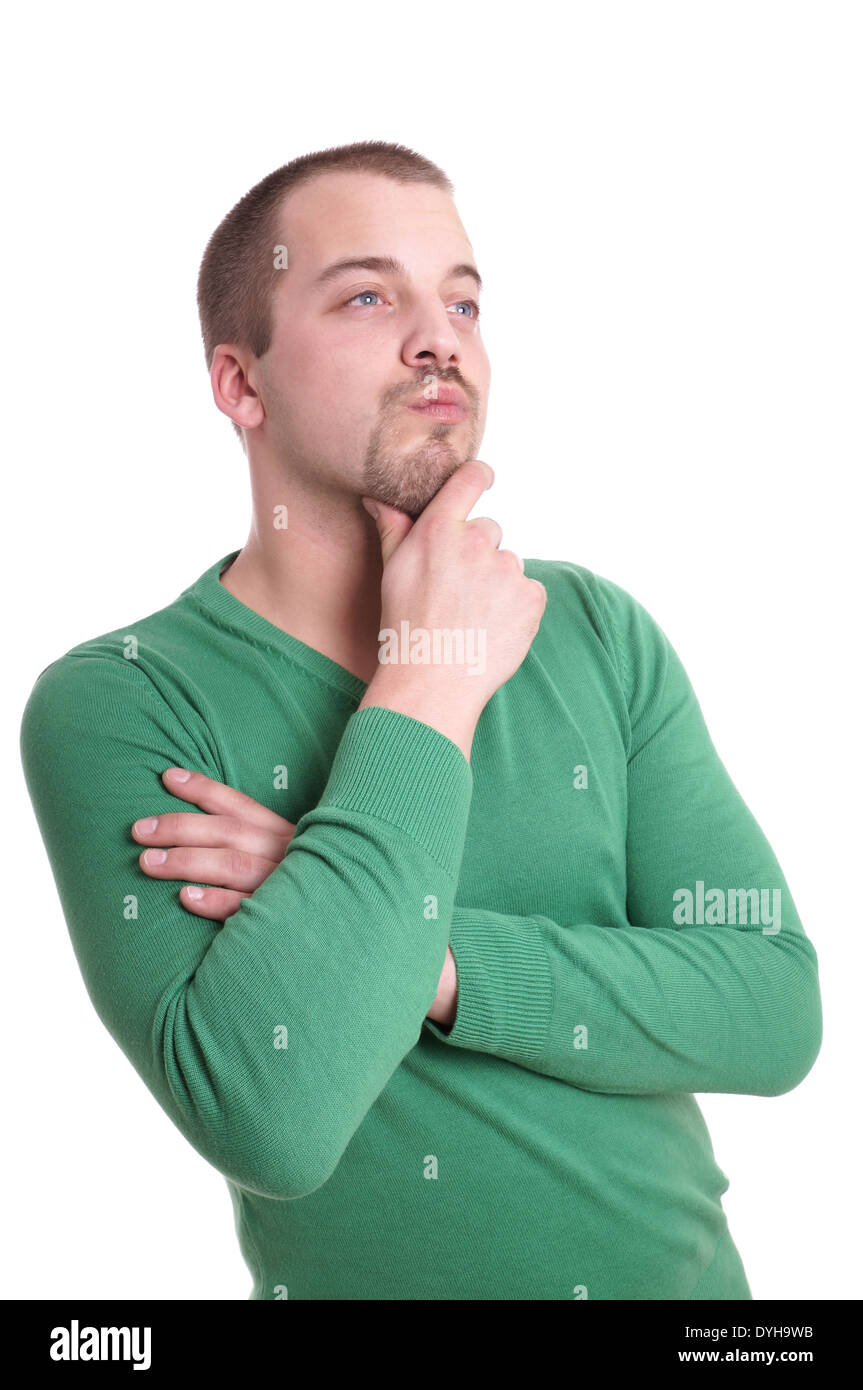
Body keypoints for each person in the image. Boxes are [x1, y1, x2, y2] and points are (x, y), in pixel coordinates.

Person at [20, 140, 822, 1300]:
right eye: (365, 295)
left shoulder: (590, 628)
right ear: (241, 383)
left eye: (462, 299)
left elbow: (771, 1007)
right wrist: (428, 684)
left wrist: (424, 955)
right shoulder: (125, 698)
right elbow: (272, 1120)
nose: (436, 336)